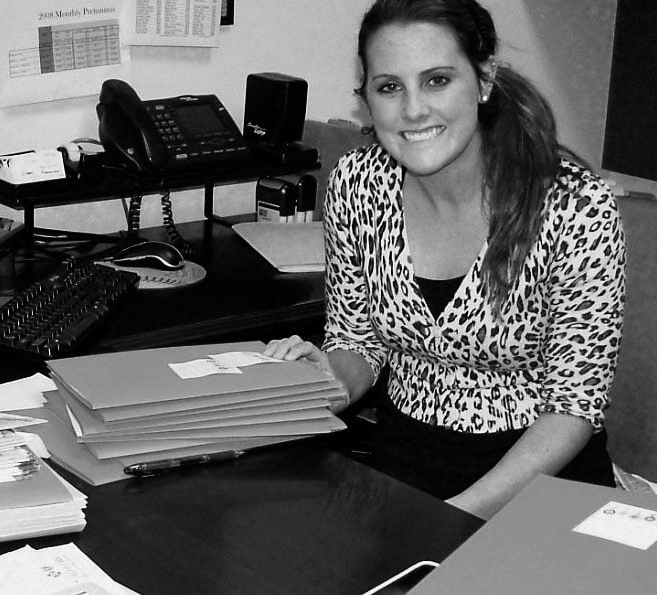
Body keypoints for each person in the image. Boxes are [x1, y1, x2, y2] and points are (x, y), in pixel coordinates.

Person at [263, 0, 625, 520]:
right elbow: (358, 341)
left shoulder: (574, 206)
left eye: (436, 80)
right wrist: (325, 379)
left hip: (543, 488)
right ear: (366, 98)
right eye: (389, 87)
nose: (413, 110)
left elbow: (574, 407)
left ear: (483, 80)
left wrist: (454, 517)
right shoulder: (357, 184)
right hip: (402, 470)